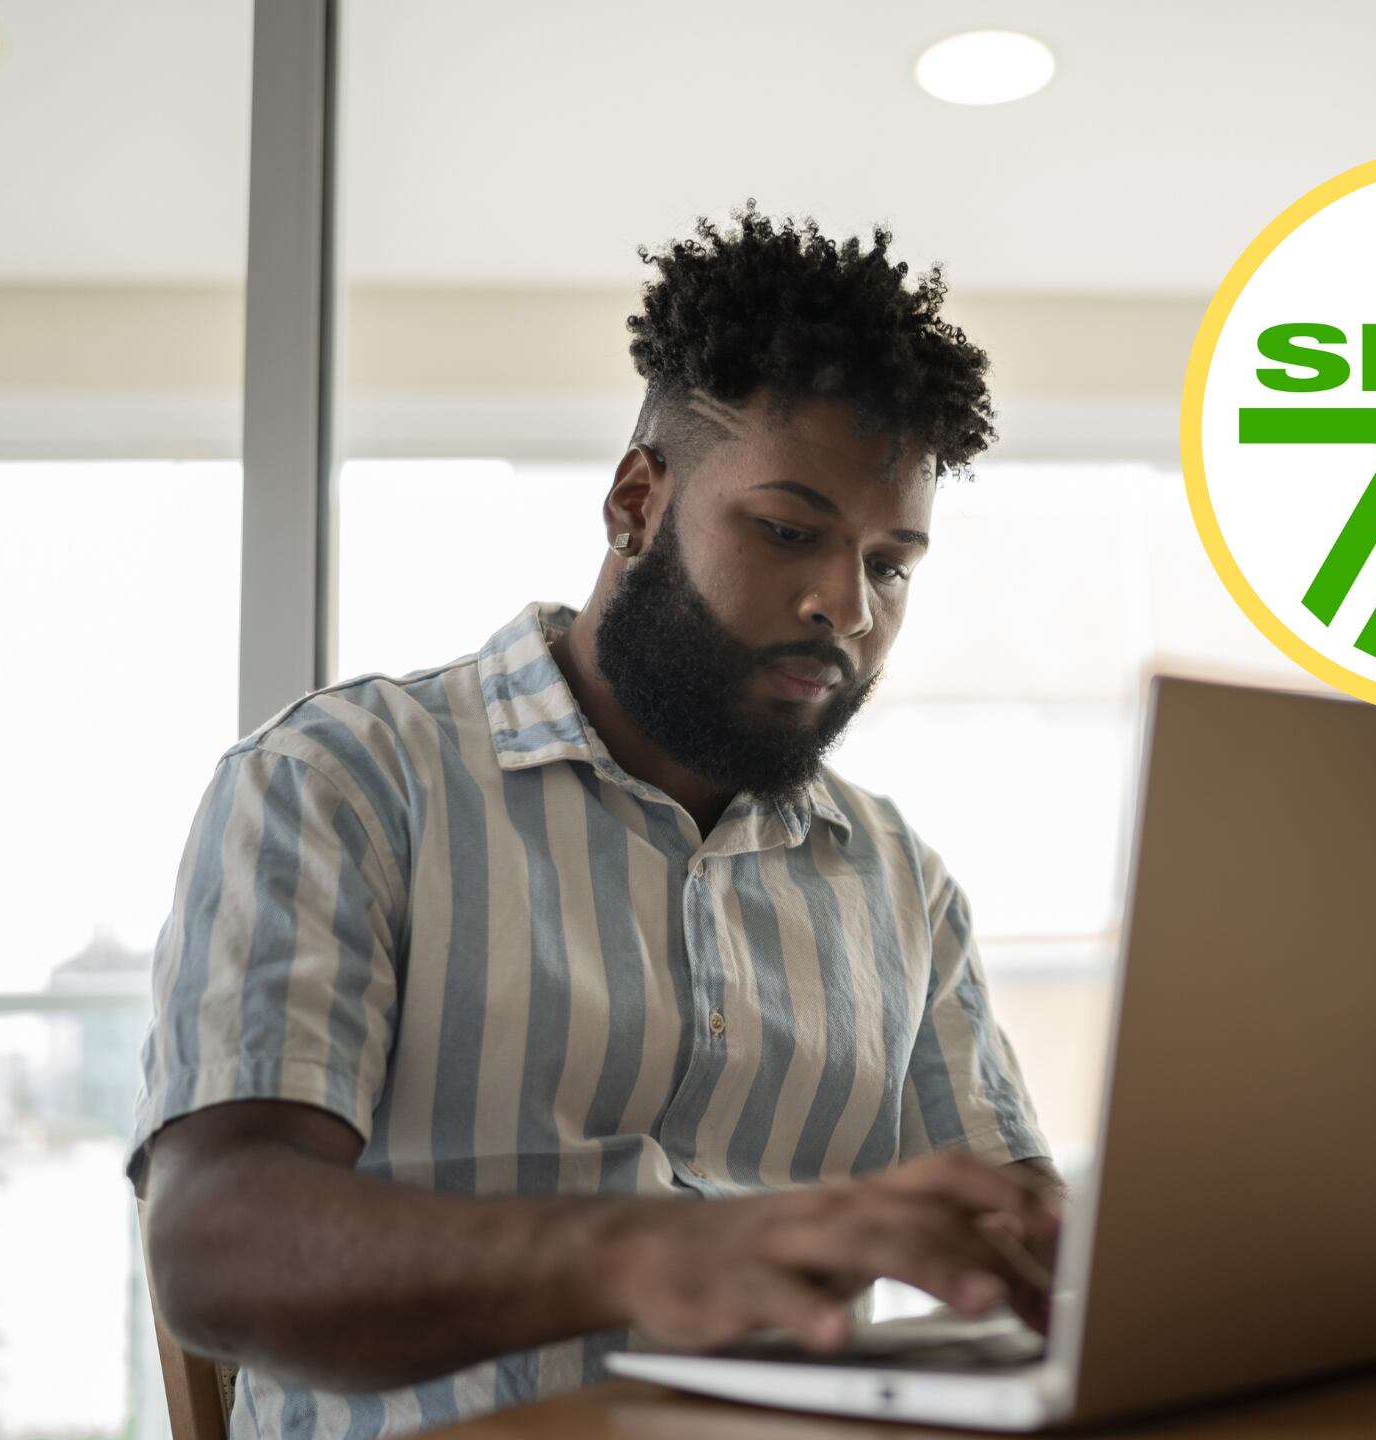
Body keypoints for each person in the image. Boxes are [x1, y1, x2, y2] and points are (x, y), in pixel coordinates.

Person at [129, 204, 1063, 1440]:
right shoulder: (344, 781)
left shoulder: (900, 882)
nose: (845, 605)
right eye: (789, 532)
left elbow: (1028, 1250)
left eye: (891, 564)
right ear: (637, 503)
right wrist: (644, 1254)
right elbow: (219, 1247)